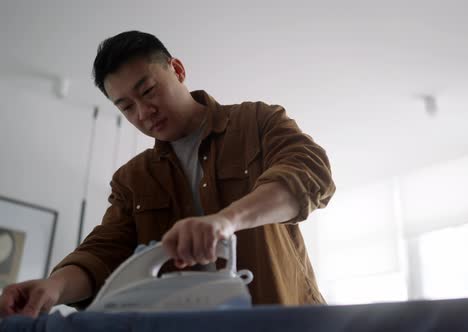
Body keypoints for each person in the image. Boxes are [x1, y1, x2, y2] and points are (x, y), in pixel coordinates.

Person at [0, 31, 335, 318]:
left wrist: (226, 220)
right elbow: (104, 253)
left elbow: (309, 172)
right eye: (126, 107)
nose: (144, 112)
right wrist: (52, 288)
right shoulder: (132, 180)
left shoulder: (256, 121)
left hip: (286, 318)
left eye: (148, 91)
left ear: (177, 69)